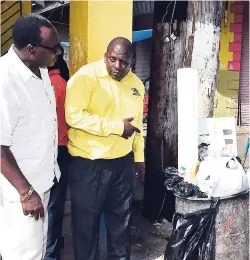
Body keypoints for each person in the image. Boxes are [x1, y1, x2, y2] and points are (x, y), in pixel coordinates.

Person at [65, 37, 146, 260]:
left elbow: (137, 126)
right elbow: (73, 116)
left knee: (121, 224)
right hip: (89, 165)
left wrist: (139, 157)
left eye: (124, 62)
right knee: (86, 228)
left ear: (133, 61)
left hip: (122, 164)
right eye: (113, 60)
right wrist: (117, 127)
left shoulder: (136, 85)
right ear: (105, 56)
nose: (118, 67)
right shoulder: (85, 77)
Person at [0, 14, 61, 260]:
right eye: (53, 48)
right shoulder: (5, 80)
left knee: (38, 250)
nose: (57, 52)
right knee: (23, 254)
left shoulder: (39, 67)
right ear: (31, 49)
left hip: (42, 180)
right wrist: (26, 193)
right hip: (21, 191)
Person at [45, 49, 70, 260]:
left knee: (51, 204)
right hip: (62, 148)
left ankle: (51, 252)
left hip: (53, 149)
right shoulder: (63, 83)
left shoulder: (51, 85)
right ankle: (56, 244)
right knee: (56, 202)